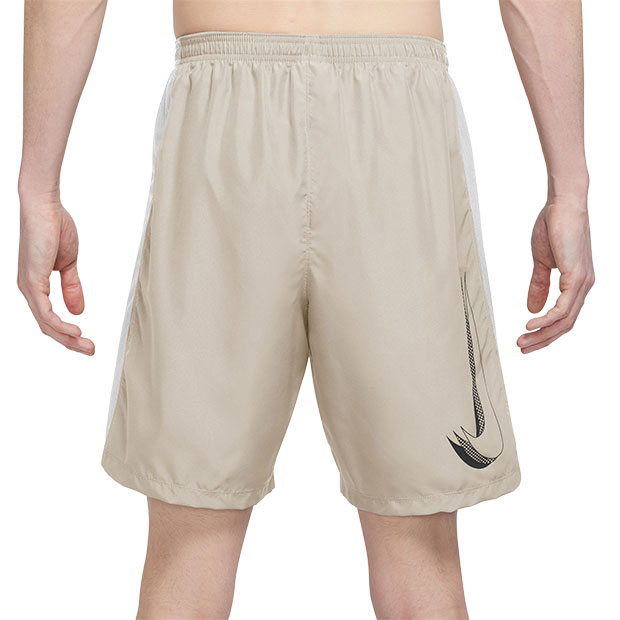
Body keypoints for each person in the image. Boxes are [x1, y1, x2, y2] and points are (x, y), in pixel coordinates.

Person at [17, 1, 594, 618]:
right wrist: (568, 188)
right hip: (392, 121)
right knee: (417, 555)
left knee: (189, 546)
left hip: (225, 119)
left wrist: (39, 188)